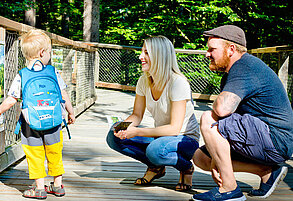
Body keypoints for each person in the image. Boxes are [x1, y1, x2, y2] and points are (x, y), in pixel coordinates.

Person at [192, 25, 293, 201]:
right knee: (200, 157)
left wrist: (220, 161)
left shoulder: (245, 67)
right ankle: (267, 172)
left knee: (208, 118)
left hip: (276, 139)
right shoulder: (233, 72)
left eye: (212, 49)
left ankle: (230, 190)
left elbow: (222, 110)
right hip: (262, 137)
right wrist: (216, 159)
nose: (207, 54)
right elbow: (228, 118)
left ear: (231, 49)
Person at [106, 35, 200, 191]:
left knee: (155, 151)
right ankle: (155, 167)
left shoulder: (178, 83)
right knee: (113, 136)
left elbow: (174, 129)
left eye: (146, 52)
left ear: (160, 56)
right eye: (142, 52)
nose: (140, 56)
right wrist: (122, 127)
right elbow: (136, 115)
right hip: (161, 137)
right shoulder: (144, 81)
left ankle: (186, 167)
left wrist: (136, 131)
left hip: (184, 139)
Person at [0, 29, 75, 199]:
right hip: (54, 122)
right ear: (42, 52)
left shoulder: (22, 75)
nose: (49, 56)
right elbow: (64, 95)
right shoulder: (54, 72)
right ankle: (57, 186)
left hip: (31, 124)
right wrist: (71, 113)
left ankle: (39, 189)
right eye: (49, 53)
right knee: (54, 152)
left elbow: (12, 98)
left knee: (35, 153)